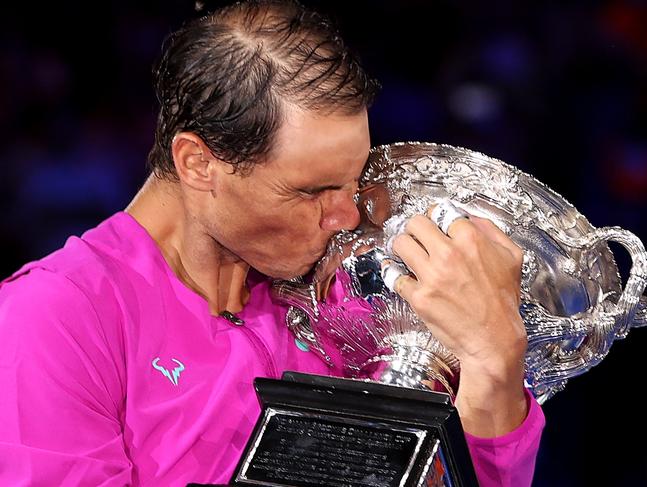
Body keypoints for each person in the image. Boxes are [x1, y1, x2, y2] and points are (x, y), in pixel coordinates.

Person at [0, 1, 544, 485]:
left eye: (354, 183)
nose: (347, 215)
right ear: (198, 164)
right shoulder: (56, 317)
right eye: (313, 191)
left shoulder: (351, 295)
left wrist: (495, 365)